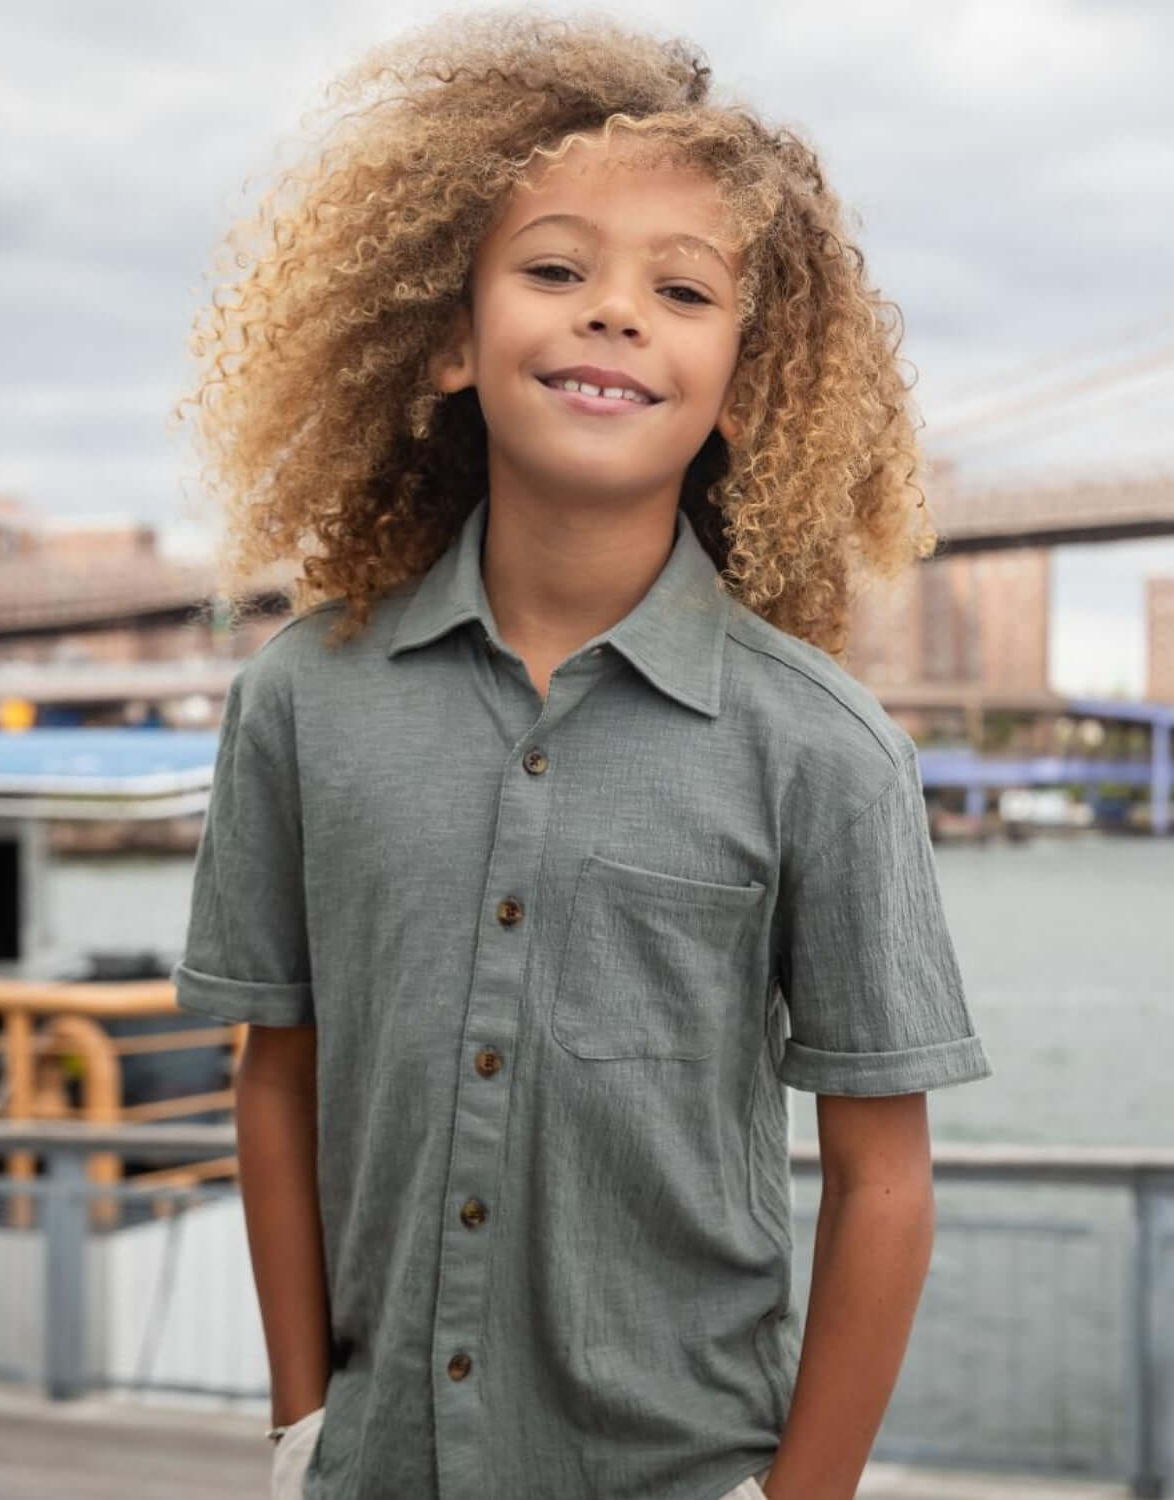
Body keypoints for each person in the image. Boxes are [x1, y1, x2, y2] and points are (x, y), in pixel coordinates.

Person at [170, 10, 993, 1500]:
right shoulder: (297, 701)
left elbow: (884, 1178)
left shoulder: (826, 750)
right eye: (554, 271)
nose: (614, 314)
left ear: (746, 382)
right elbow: (276, 1074)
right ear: (447, 340)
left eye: (682, 289)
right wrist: (302, 1429)